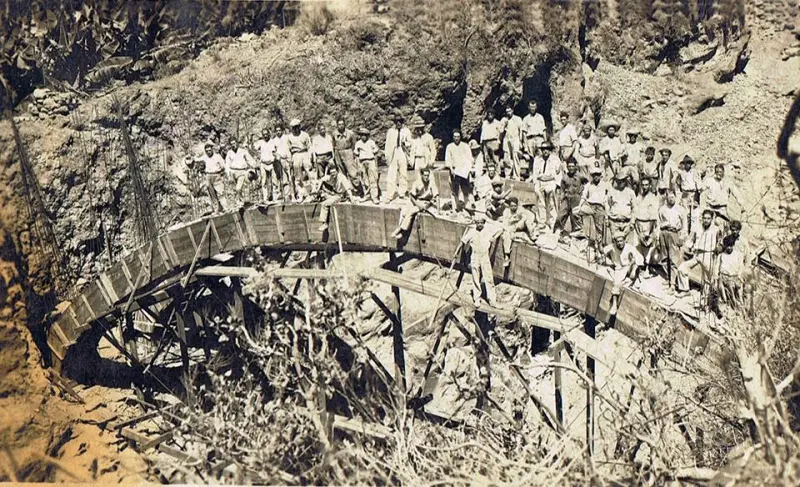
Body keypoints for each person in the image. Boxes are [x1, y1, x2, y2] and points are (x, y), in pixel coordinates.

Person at [676, 209, 721, 303]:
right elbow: (690, 240)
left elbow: (720, 244)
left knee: (709, 279)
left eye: (708, 218)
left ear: (712, 219)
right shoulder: (697, 228)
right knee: (682, 268)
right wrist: (686, 246)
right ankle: (685, 290)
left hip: (709, 254)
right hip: (697, 254)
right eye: (704, 218)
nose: (706, 220)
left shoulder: (716, 230)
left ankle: (705, 300)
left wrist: (718, 250)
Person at [461, 215, 503, 307]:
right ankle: (477, 298)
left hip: (485, 256)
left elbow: (501, 229)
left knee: (489, 278)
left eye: (481, 223)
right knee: (476, 278)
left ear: (484, 223)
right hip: (475, 256)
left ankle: (492, 301)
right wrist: (465, 256)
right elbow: (463, 241)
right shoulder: (472, 232)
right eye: (478, 222)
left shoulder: (488, 231)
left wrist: (494, 237)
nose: (479, 224)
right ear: (476, 223)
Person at [391, 166, 439, 239]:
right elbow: (412, 196)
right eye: (425, 175)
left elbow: (437, 195)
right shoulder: (417, 183)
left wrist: (438, 210)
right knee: (404, 210)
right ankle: (401, 230)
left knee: (411, 212)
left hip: (425, 202)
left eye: (428, 176)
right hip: (415, 200)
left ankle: (400, 231)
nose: (426, 177)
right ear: (422, 175)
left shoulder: (431, 183)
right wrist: (417, 204)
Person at [602, 232, 643, 315]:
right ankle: (614, 304)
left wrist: (634, 270)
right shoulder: (612, 247)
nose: (620, 243)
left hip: (627, 267)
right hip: (619, 269)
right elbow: (603, 251)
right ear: (615, 242)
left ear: (624, 240)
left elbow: (640, 258)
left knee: (630, 275)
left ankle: (615, 304)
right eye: (618, 241)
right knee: (617, 283)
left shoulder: (629, 248)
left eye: (621, 241)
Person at [577, 166, 610, 262]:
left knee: (600, 230)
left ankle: (599, 250)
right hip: (589, 205)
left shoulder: (604, 185)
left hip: (599, 207)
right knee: (577, 212)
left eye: (598, 175)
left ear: (601, 176)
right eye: (594, 175)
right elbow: (584, 196)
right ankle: (584, 238)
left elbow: (606, 200)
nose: (596, 177)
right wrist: (580, 206)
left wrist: (607, 214)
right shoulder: (588, 185)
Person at [700, 163, 745, 231]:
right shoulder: (709, 181)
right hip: (711, 208)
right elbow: (700, 188)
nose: (719, 174)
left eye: (721, 172)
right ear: (715, 172)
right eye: (717, 172)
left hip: (722, 209)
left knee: (724, 226)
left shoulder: (728, 182)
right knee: (708, 225)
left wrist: (741, 204)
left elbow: (736, 193)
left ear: (724, 172)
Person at [531, 141, 562, 231]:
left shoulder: (555, 159)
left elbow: (559, 173)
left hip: (551, 182)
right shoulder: (537, 159)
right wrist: (536, 184)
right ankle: (542, 222)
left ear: (550, 150)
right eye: (544, 149)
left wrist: (556, 185)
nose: (545, 151)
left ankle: (552, 223)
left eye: (547, 149)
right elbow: (534, 173)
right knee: (541, 203)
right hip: (540, 181)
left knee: (551, 203)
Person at [658, 189, 685, 289]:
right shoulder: (662, 209)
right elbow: (658, 223)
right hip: (664, 232)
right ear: (666, 198)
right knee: (664, 258)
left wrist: (682, 238)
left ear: (675, 197)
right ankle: (667, 278)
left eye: (672, 197)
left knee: (674, 259)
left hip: (674, 233)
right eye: (669, 198)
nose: (671, 200)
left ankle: (673, 283)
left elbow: (684, 226)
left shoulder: (680, 209)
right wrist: (658, 236)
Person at [501, 196, 539, 267]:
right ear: (509, 206)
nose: (513, 207)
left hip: (519, 225)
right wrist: (510, 230)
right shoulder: (506, 212)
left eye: (515, 206)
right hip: (511, 227)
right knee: (507, 235)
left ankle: (532, 235)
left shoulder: (520, 210)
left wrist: (517, 226)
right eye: (512, 206)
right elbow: (505, 224)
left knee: (527, 221)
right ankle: (507, 256)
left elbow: (524, 218)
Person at [633, 177, 660, 275]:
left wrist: (650, 232)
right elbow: (635, 213)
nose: (644, 187)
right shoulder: (638, 197)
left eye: (646, 185)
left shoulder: (653, 198)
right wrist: (637, 229)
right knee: (638, 246)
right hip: (638, 224)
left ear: (649, 185)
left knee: (648, 246)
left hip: (648, 224)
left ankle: (648, 268)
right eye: (642, 185)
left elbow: (653, 217)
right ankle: (640, 267)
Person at [316, 165, 354, 232]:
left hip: (340, 195)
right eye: (331, 173)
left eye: (334, 172)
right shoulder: (331, 177)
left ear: (337, 171)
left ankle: (324, 223)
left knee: (324, 204)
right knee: (323, 194)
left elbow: (348, 189)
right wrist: (317, 189)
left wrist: (352, 200)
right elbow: (322, 179)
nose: (333, 174)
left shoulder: (341, 177)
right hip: (334, 193)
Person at [555, 159, 586, 239]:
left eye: (572, 166)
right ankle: (558, 232)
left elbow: (587, 183)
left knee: (575, 216)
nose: (571, 168)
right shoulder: (565, 177)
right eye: (569, 166)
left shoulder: (580, 176)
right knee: (561, 215)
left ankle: (577, 234)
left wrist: (583, 188)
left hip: (576, 197)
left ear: (575, 166)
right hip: (566, 197)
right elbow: (562, 188)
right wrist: (561, 198)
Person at [445, 130, 474, 212]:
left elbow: (469, 158)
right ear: (453, 137)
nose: (456, 138)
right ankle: (456, 207)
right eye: (455, 137)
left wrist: (468, 169)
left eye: (458, 136)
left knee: (465, 189)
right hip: (454, 171)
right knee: (455, 190)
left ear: (460, 137)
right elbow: (448, 160)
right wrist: (452, 170)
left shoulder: (465, 146)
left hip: (464, 171)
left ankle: (465, 206)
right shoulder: (449, 146)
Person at [384, 114, 411, 201]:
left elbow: (410, 142)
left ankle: (402, 193)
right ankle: (390, 195)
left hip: (402, 151)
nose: (398, 123)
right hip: (393, 152)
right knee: (391, 174)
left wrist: (405, 144)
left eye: (400, 121)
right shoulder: (390, 131)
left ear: (402, 122)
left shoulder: (406, 131)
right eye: (396, 122)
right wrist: (387, 156)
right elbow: (387, 145)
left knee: (403, 173)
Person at [287, 119, 313, 200]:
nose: (295, 129)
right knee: (298, 176)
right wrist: (290, 159)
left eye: (296, 127)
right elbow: (288, 149)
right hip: (296, 155)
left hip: (304, 153)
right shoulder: (290, 137)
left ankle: (312, 193)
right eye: (293, 128)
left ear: (299, 127)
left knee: (310, 173)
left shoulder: (305, 135)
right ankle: (301, 194)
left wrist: (310, 157)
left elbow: (309, 146)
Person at [225, 138, 256, 205]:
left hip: (242, 171)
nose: (233, 145)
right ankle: (242, 201)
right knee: (237, 188)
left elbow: (250, 159)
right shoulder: (229, 153)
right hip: (233, 172)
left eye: (234, 143)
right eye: (231, 144)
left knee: (239, 187)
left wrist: (254, 165)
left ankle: (240, 200)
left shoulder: (243, 151)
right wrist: (228, 173)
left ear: (237, 143)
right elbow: (227, 164)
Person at [606, 174, 636, 243]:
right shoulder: (611, 191)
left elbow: (634, 208)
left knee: (627, 245)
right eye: (618, 181)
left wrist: (632, 222)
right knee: (615, 243)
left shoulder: (630, 192)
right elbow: (608, 205)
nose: (620, 183)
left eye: (622, 181)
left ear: (625, 181)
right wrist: (607, 219)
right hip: (614, 222)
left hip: (626, 223)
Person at [196, 142, 226, 213]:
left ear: (212, 149)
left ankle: (225, 207)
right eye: (207, 151)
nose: (208, 152)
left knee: (220, 192)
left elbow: (223, 166)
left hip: (216, 175)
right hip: (208, 176)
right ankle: (216, 209)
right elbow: (197, 160)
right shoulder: (204, 157)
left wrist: (220, 171)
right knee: (212, 194)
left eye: (209, 150)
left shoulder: (217, 156)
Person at [675, 153, 700, 233]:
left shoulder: (695, 172)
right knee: (685, 213)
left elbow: (698, 183)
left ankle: (693, 231)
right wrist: (679, 194)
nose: (688, 165)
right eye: (686, 163)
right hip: (685, 194)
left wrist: (697, 194)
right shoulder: (681, 173)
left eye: (689, 163)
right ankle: (685, 231)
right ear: (684, 164)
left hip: (693, 194)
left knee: (694, 214)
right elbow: (678, 184)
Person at [353, 127, 380, 203]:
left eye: (365, 135)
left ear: (367, 135)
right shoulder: (358, 143)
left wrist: (375, 163)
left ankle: (374, 197)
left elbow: (375, 153)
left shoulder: (371, 142)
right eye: (362, 135)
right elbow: (356, 154)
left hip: (370, 161)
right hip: (362, 161)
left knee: (373, 179)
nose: (363, 137)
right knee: (365, 180)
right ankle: (367, 195)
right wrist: (358, 164)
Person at [254, 127, 279, 202]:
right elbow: (254, 148)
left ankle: (275, 197)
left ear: (269, 134)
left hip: (271, 163)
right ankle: (265, 197)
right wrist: (258, 156)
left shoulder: (273, 141)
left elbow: (276, 150)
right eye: (263, 134)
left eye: (266, 134)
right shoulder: (260, 142)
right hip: (263, 164)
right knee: (264, 181)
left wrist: (276, 157)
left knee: (274, 181)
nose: (265, 136)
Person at [333, 118, 359, 184]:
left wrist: (352, 153)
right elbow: (333, 144)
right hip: (338, 153)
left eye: (342, 124)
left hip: (348, 152)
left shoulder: (350, 133)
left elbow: (354, 144)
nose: (341, 126)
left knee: (352, 172)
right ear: (337, 125)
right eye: (339, 124)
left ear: (345, 124)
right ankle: (346, 190)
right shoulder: (334, 133)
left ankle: (358, 189)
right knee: (341, 172)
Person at [501, 106, 524, 179]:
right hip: (507, 139)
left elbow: (521, 130)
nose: (508, 113)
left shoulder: (518, 119)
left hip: (515, 139)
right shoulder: (504, 119)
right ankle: (507, 174)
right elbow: (501, 131)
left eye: (509, 111)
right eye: (507, 111)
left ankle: (516, 175)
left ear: (512, 111)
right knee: (507, 157)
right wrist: (504, 124)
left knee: (515, 156)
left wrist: (520, 141)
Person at [273, 124, 292, 200]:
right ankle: (286, 195)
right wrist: (277, 155)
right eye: (277, 131)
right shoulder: (274, 140)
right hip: (280, 160)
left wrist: (290, 158)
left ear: (282, 130)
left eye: (279, 130)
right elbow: (273, 151)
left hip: (288, 159)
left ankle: (294, 194)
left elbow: (291, 147)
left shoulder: (287, 138)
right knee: (283, 178)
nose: (278, 132)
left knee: (291, 177)